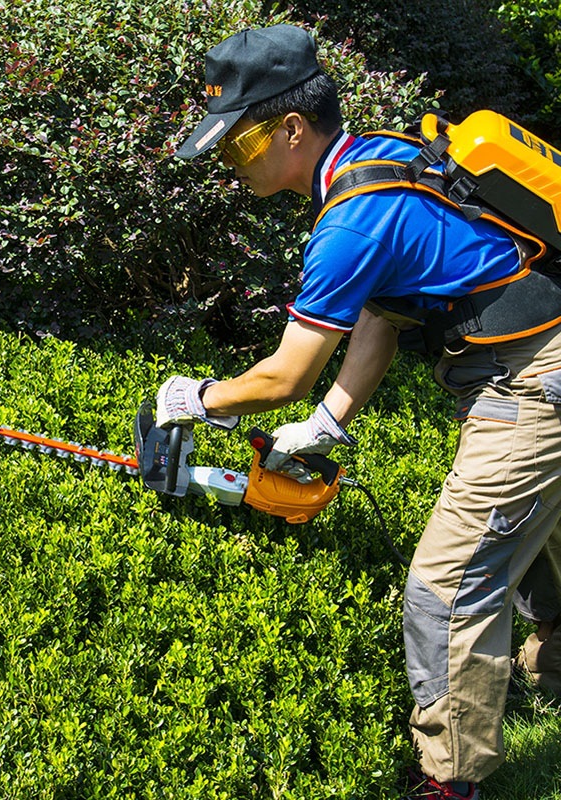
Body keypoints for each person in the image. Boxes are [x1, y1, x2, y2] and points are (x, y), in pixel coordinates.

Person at [154, 23, 561, 800]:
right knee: (544, 538)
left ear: (292, 129)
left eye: (239, 149)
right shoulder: (380, 159)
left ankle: (452, 782)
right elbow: (386, 310)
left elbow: (283, 376)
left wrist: (198, 399)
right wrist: (333, 421)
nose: (234, 169)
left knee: (448, 582)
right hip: (543, 349)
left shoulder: (348, 222)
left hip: (533, 376)